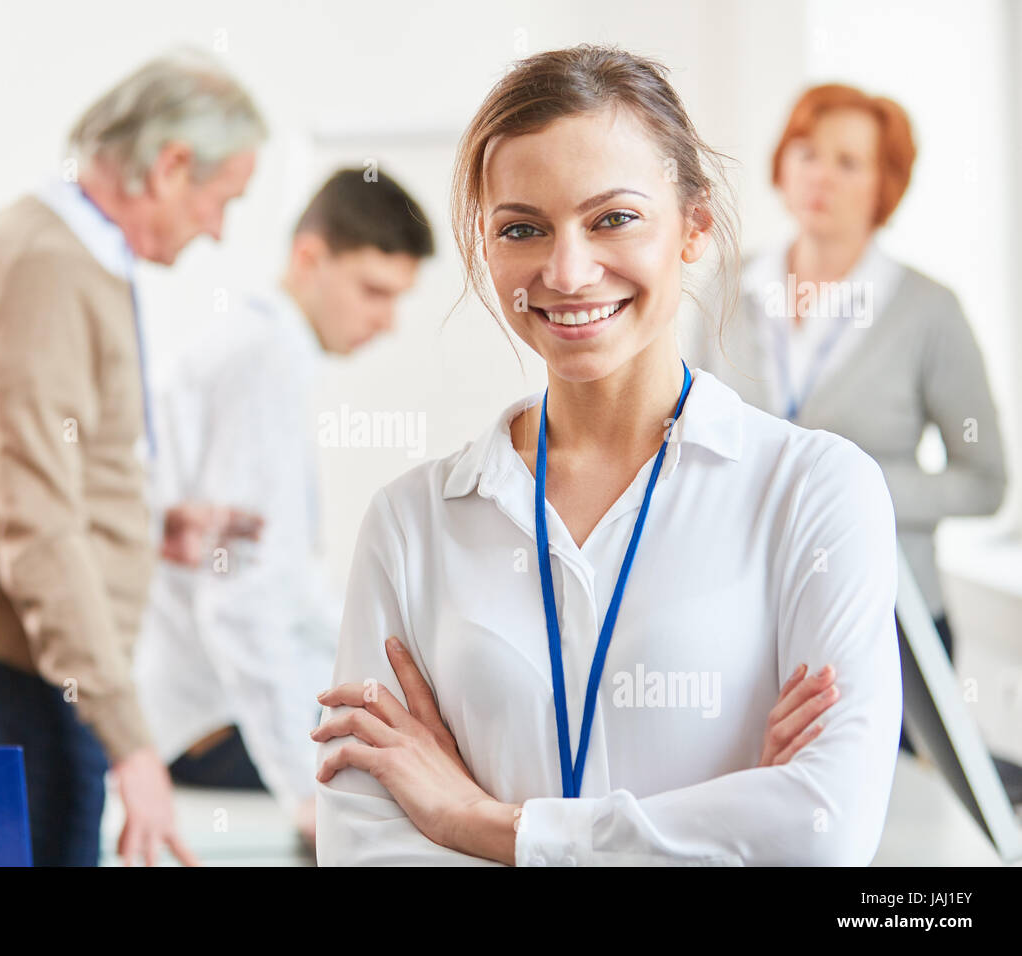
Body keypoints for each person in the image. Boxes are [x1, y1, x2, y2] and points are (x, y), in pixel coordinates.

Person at [311, 44, 899, 866]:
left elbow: (821, 832)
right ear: (487, 249)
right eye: (523, 229)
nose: (568, 270)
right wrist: (721, 830)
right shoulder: (411, 524)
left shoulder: (815, 491)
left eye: (613, 218)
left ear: (694, 225)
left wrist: (481, 822)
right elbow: (364, 850)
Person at [0, 53, 266, 867]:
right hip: (18, 685)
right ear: (171, 165)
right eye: (224, 202)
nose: (217, 228)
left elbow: (55, 474)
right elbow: (37, 521)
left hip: (36, 676)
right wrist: (134, 745)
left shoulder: (65, 250)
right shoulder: (49, 265)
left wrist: (142, 524)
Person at [689, 84, 1009, 759]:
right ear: (781, 165)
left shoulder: (928, 310)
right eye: (806, 152)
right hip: (749, 608)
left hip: (892, 617)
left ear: (884, 185)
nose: (820, 175)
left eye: (848, 161)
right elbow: (687, 430)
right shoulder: (727, 288)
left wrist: (848, 484)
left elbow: (984, 481)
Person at [135, 168, 434, 850]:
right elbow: (241, 603)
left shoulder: (253, 350)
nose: (386, 321)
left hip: (213, 698)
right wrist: (307, 791)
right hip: (206, 721)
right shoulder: (261, 363)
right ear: (309, 258)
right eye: (373, 291)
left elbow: (286, 591)